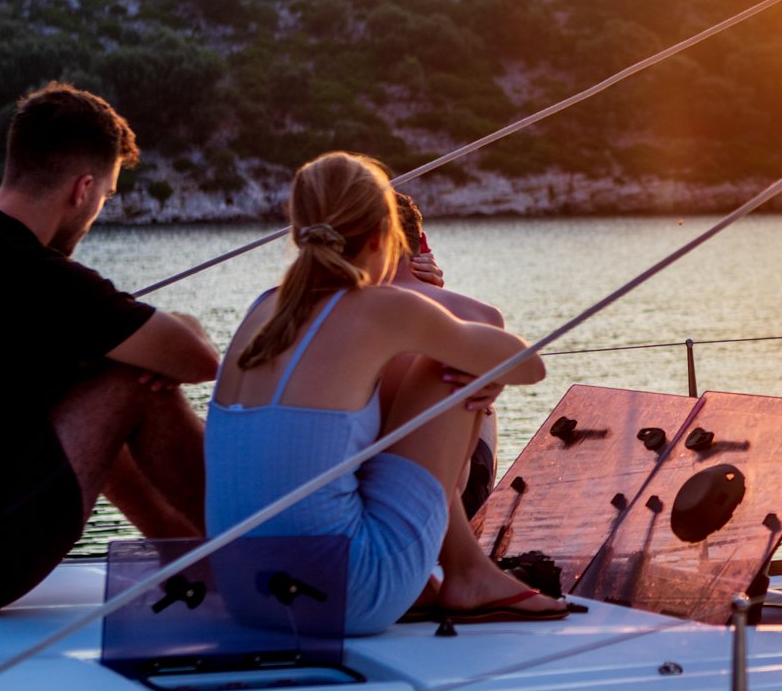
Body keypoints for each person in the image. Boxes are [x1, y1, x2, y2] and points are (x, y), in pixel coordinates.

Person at [0, 83, 219, 618]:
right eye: (107, 196)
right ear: (82, 189)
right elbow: (199, 361)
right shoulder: (41, 278)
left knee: (84, 371)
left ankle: (187, 554)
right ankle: (257, 552)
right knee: (132, 380)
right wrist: (177, 324)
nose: (96, 213)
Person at [206, 152, 565, 632]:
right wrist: (487, 369)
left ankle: (447, 576)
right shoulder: (383, 309)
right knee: (453, 360)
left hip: (245, 592)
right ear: (383, 237)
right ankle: (468, 576)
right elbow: (530, 365)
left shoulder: (262, 310)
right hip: (348, 595)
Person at [388, 192, 502, 519]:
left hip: (343, 494)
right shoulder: (482, 316)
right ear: (421, 245)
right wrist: (434, 298)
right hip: (439, 505)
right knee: (482, 404)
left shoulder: (326, 307)